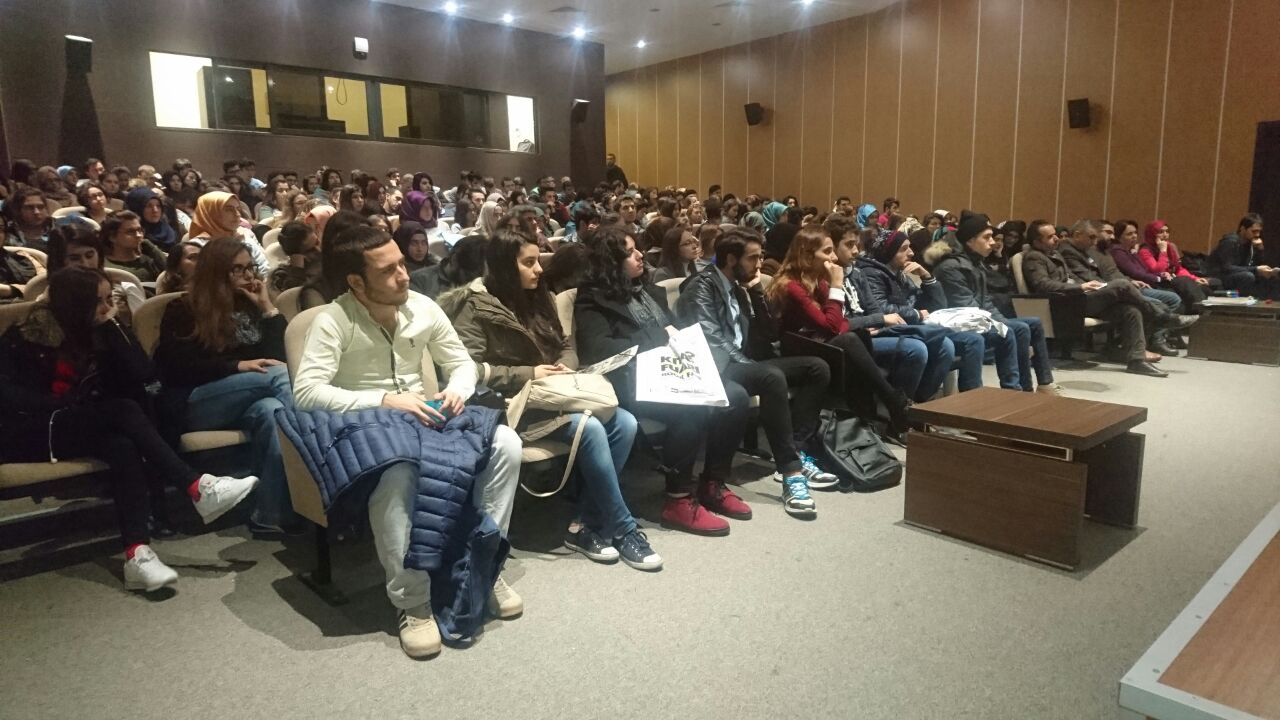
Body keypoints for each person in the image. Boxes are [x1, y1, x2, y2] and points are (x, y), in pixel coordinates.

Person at [292, 224, 524, 658]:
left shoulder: (422, 306)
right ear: (356, 282)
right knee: (399, 473)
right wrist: (383, 399)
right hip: (367, 424)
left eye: (402, 264)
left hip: (425, 416)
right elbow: (306, 393)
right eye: (388, 271)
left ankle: (484, 565)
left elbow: (462, 363)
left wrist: (457, 390)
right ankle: (412, 601)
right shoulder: (332, 320)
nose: (403, 275)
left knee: (506, 444)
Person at [0, 266, 259, 592]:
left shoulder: (100, 333)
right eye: (99, 302)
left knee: (122, 444)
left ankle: (138, 554)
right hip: (27, 430)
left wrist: (114, 328)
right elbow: (9, 396)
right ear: (76, 304)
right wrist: (64, 406)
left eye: (110, 299)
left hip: (78, 424)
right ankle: (196, 487)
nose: (108, 308)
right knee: (122, 411)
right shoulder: (25, 337)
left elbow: (144, 375)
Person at [440, 228, 660, 570]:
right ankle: (624, 527)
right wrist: (530, 373)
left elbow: (565, 343)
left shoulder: (538, 296)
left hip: (557, 393)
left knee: (626, 423)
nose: (539, 269)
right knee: (590, 428)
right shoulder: (474, 307)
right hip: (513, 404)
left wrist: (565, 365)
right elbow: (469, 369)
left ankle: (583, 524)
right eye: (528, 263)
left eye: (537, 261)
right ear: (504, 265)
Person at [576, 225, 751, 536]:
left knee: (735, 396)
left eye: (637, 249)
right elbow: (598, 349)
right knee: (691, 405)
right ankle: (678, 498)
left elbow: (674, 330)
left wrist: (677, 339)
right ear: (611, 261)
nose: (639, 255)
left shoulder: (644, 290)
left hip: (669, 370)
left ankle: (712, 482)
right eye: (629, 252)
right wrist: (658, 337)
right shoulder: (593, 297)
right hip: (629, 380)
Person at [675, 228, 835, 519]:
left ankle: (796, 450)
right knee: (770, 376)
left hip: (741, 362)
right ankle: (791, 473)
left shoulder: (739, 287)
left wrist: (757, 293)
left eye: (761, 257)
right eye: (753, 258)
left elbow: (769, 334)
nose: (759, 264)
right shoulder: (700, 287)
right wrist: (752, 366)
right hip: (716, 366)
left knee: (817, 368)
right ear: (730, 259)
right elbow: (712, 340)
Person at [154, 237, 297, 534]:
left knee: (273, 413)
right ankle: (321, 451)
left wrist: (267, 308)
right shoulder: (184, 308)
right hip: (196, 401)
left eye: (250, 268)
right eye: (237, 269)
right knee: (276, 377)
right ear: (216, 271)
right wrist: (235, 366)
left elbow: (281, 356)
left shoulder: (250, 303)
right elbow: (175, 369)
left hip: (249, 398)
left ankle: (268, 515)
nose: (248, 276)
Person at [769, 224, 916, 430]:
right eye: (827, 251)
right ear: (808, 255)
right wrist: (837, 286)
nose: (833, 258)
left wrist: (836, 312)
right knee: (849, 340)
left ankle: (867, 418)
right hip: (794, 348)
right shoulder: (791, 285)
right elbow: (831, 326)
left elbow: (838, 323)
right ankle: (892, 402)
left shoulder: (819, 281)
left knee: (857, 336)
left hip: (818, 341)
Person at [829, 216, 985, 399]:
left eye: (856, 245)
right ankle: (901, 405)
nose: (911, 253)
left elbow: (937, 305)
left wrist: (927, 277)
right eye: (903, 249)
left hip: (886, 328)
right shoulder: (869, 273)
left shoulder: (883, 274)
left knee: (948, 345)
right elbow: (876, 313)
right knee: (917, 349)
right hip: (861, 335)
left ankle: (920, 403)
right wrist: (912, 314)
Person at [1021, 220, 1181, 377]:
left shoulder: (1054, 254)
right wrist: (1080, 287)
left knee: (1130, 310)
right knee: (1121, 285)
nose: (1056, 238)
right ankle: (1160, 316)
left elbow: (1071, 277)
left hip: (1077, 299)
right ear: (1037, 242)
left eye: (1055, 234)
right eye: (1050, 237)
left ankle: (1137, 361)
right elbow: (1043, 285)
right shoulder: (1034, 257)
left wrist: (1090, 286)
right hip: (1063, 305)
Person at [930, 215, 1062, 393]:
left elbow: (986, 302)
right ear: (970, 241)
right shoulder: (951, 267)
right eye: (987, 237)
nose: (993, 242)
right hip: (958, 323)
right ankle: (1013, 390)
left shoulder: (974, 262)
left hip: (977, 317)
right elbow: (966, 307)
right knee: (1012, 330)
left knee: (1030, 325)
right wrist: (1001, 324)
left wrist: (1001, 322)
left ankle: (1036, 386)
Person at [1057, 219, 1191, 358]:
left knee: (1132, 309)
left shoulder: (1085, 250)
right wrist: (1111, 287)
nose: (1094, 241)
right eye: (1091, 237)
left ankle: (1134, 354)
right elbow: (1087, 278)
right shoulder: (1068, 251)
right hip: (1079, 298)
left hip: (1095, 293)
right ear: (1077, 235)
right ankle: (1162, 318)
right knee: (1123, 286)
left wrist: (1115, 286)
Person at [1135, 220, 1220, 309]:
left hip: (1173, 280)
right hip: (1159, 282)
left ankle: (1213, 310)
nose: (1165, 235)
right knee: (1183, 281)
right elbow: (1158, 270)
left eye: (1167, 231)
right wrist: (1163, 251)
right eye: (1160, 232)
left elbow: (1178, 269)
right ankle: (1202, 309)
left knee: (1211, 283)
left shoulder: (1169, 247)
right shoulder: (1145, 251)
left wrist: (1195, 279)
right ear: (1152, 234)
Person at [187, 191, 271, 277]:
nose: (237, 214)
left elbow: (265, 270)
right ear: (211, 213)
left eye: (238, 209)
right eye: (229, 210)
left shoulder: (245, 235)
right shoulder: (197, 247)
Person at [1206, 214, 1278, 299]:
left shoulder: (1250, 243)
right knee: (1247, 276)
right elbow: (1227, 268)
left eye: (1259, 231)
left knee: (1269, 277)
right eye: (1254, 231)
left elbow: (1256, 265)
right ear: (1243, 229)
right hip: (1220, 276)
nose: (1257, 235)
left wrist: (1260, 250)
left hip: (1237, 273)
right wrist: (1256, 270)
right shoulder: (1230, 242)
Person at [409, 235, 486, 299]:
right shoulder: (419, 280)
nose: (473, 282)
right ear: (454, 260)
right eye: (468, 275)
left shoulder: (483, 281)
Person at [100, 212, 167, 282]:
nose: (138, 235)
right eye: (130, 232)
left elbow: (170, 273)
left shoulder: (148, 261)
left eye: (140, 230)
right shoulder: (102, 265)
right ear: (112, 237)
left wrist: (150, 246)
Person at [268, 221, 321, 294]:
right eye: (311, 250)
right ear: (296, 256)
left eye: (317, 242)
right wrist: (297, 271)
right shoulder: (282, 277)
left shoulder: (328, 259)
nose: (319, 250)